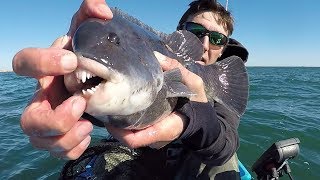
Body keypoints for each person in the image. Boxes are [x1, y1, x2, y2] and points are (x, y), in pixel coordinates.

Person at [12, 0, 248, 179]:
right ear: (180, 32)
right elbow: (122, 93)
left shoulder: (220, 85)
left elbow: (224, 146)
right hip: (147, 161)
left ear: (224, 47)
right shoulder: (147, 54)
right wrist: (65, 94)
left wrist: (195, 119)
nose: (205, 45)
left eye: (217, 39)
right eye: (196, 33)